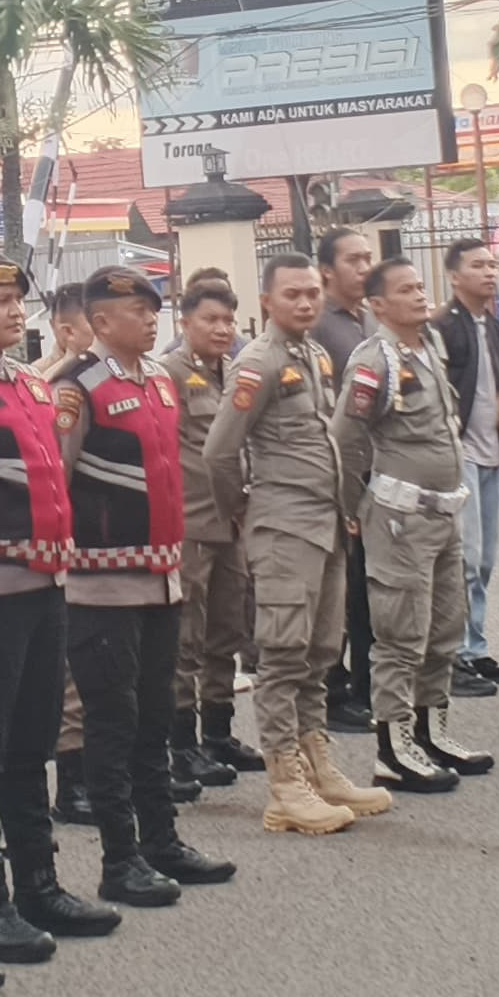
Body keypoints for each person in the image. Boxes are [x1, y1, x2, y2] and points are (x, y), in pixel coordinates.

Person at [0, 247, 112, 964]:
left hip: (44, 588)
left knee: (31, 744)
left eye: (18, 301)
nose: (15, 312)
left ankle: (38, 884)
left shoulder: (31, 386)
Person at [53, 266, 233, 906]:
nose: (151, 319)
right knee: (111, 722)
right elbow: (56, 479)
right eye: (136, 310)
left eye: (154, 309)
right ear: (101, 322)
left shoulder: (159, 381)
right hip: (101, 586)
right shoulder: (77, 387)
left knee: (154, 717)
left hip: (161, 581)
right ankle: (119, 858)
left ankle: (162, 840)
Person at [206, 254, 393, 833]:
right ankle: (284, 784)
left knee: (319, 654)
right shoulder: (257, 363)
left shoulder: (312, 355)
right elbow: (218, 452)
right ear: (267, 302)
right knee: (284, 655)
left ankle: (318, 767)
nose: (307, 303)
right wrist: (241, 510)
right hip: (284, 525)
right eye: (293, 294)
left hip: (326, 523)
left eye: (313, 292)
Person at [342, 256, 485, 791]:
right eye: (405, 290)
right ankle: (392, 748)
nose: (420, 296)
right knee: (400, 634)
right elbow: (348, 437)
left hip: (445, 510)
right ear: (378, 305)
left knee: (445, 627)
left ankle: (431, 731)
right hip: (399, 516)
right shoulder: (373, 359)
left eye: (420, 286)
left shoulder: (432, 347)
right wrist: (353, 506)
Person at [171, 277, 255, 780]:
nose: (221, 329)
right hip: (191, 522)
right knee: (187, 637)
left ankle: (218, 734)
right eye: (210, 320)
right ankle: (182, 746)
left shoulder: (235, 373)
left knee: (228, 630)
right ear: (186, 324)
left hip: (232, 521)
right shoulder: (171, 374)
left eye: (228, 320)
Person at [309, 224, 383, 730]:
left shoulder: (371, 320)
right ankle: (333, 692)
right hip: (337, 477)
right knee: (338, 589)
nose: (365, 267)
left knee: (368, 589)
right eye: (354, 260)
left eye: (368, 258)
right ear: (328, 272)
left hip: (377, 473)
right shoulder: (318, 328)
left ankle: (366, 685)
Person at [437, 241, 499, 696]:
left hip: (491, 452)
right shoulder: (444, 327)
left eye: (491, 264)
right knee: (464, 557)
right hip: (459, 452)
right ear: (453, 276)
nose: (488, 273)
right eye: (477, 266)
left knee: (486, 558)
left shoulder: (493, 325)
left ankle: (477, 645)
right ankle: (457, 653)